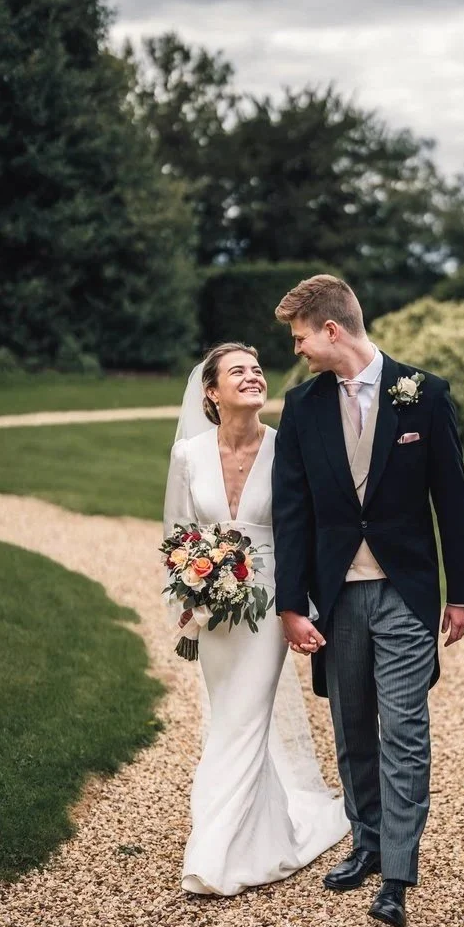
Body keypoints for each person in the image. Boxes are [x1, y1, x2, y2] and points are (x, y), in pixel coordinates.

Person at [271, 276, 464, 927]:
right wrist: (292, 604)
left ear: (332, 330)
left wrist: (463, 592)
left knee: (406, 730)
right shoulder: (302, 406)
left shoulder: (424, 393)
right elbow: (292, 513)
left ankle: (396, 876)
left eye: (301, 336)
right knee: (352, 728)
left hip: (406, 592)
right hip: (337, 597)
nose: (299, 349)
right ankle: (366, 841)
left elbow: (452, 500)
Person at [163, 342, 349, 896]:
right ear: (211, 392)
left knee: (243, 717)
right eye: (237, 371)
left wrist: (304, 606)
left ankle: (214, 852)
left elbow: (306, 530)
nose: (252, 376)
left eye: (257, 369)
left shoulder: (284, 446)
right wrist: (187, 603)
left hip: (271, 601)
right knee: (229, 716)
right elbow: (177, 532)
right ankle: (260, 835)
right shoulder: (188, 455)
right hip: (214, 606)